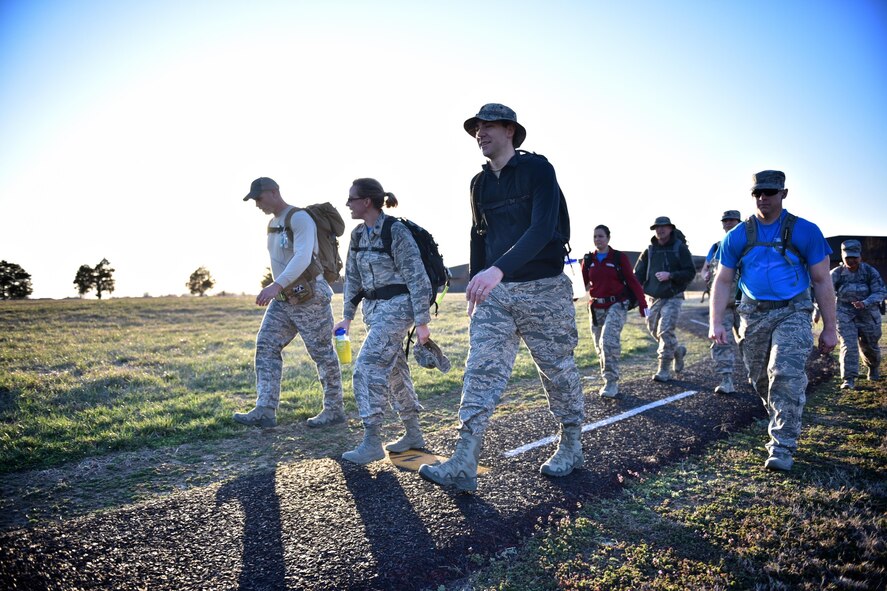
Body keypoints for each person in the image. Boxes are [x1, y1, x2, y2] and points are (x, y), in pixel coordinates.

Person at [419, 103, 584, 492]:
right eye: (476, 127)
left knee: (556, 370)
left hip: (543, 289)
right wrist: (479, 281)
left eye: (488, 125)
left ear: (510, 130)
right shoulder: (478, 184)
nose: (480, 133)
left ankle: (572, 442)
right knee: (481, 370)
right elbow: (479, 234)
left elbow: (543, 228)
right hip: (496, 294)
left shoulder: (538, 170)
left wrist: (499, 269)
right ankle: (463, 460)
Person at [710, 170, 837, 472]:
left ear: (784, 193)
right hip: (752, 316)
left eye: (769, 192)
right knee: (761, 379)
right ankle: (784, 413)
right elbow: (723, 280)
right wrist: (716, 321)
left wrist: (830, 328)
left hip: (793, 311)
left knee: (784, 373)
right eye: (758, 193)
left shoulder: (806, 231)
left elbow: (821, 280)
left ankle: (782, 446)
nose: (763, 198)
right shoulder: (737, 235)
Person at [334, 178, 432, 464]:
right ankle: (414, 434)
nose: (348, 204)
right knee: (394, 370)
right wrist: (347, 317)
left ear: (366, 201)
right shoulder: (357, 235)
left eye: (351, 198)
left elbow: (417, 278)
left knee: (366, 368)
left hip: (399, 308)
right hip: (374, 311)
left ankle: (372, 441)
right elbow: (352, 278)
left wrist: (422, 322)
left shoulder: (395, 231)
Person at [236, 177, 345, 428]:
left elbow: (303, 257)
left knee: (322, 353)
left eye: (259, 198)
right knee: (266, 344)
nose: (257, 204)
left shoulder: (299, 218)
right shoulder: (272, 223)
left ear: (274, 193)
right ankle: (265, 409)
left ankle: (334, 410)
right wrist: (279, 287)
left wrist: (276, 285)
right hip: (286, 297)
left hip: (310, 295)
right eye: (254, 200)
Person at [581, 225, 648, 398]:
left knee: (608, 342)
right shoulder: (588, 259)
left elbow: (632, 281)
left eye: (601, 236)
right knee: (599, 347)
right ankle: (608, 378)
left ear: (608, 238)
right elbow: (582, 285)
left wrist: (642, 304)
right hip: (596, 307)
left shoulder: (619, 257)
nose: (598, 239)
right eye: (595, 236)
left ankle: (611, 382)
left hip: (617, 304)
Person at [633, 216, 696, 382]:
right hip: (653, 298)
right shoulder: (649, 250)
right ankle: (677, 351)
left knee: (665, 330)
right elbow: (638, 274)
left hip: (673, 296)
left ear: (670, 229)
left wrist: (671, 275)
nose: (660, 230)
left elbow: (690, 272)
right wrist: (631, 291)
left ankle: (663, 369)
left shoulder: (679, 248)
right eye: (657, 227)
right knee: (654, 330)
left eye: (663, 227)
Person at [830, 239, 885, 390]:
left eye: (854, 257)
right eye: (848, 257)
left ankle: (872, 368)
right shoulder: (837, 273)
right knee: (848, 346)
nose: (851, 260)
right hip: (845, 314)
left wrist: (865, 302)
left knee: (870, 346)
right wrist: (819, 311)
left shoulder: (869, 271)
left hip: (868, 314)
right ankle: (849, 378)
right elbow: (825, 293)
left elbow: (880, 292)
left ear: (860, 257)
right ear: (842, 257)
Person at [703, 210, 743, 394]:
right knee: (721, 342)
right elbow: (706, 268)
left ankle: (759, 378)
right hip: (723, 304)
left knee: (751, 343)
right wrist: (706, 275)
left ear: (739, 222)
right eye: (725, 221)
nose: (728, 224)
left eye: (732, 221)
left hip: (746, 304)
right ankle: (726, 380)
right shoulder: (716, 247)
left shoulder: (748, 244)